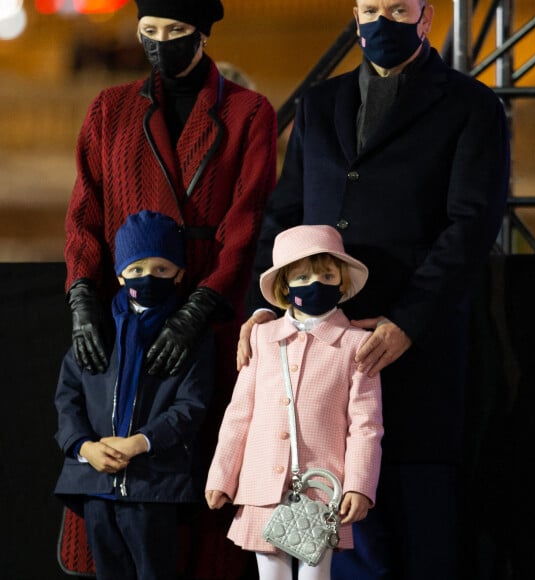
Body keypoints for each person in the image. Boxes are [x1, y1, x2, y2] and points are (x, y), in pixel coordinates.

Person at [238, 1, 511, 578]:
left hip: (415, 349)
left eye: (396, 8)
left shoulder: (471, 105)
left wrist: (408, 321)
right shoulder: (318, 103)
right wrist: (267, 307)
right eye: (369, 8)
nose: (380, 19)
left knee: (420, 517)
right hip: (318, 352)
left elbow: (471, 224)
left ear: (426, 17)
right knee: (328, 524)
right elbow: (283, 215)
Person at [63, 3, 276, 575]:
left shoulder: (248, 111)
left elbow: (247, 220)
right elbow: (84, 212)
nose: (160, 44)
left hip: (210, 314)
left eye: (176, 32)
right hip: (123, 315)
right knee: (117, 458)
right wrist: (83, 297)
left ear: (203, 34)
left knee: (204, 451)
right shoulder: (109, 109)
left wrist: (202, 305)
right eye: (149, 33)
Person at [206, 225, 383, 580]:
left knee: (317, 575)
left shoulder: (356, 343)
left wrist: (359, 485)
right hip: (261, 486)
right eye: (302, 275)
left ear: (342, 282)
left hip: (323, 487)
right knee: (270, 574)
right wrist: (222, 475)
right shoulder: (263, 336)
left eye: (327, 274)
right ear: (285, 286)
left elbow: (366, 425)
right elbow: (239, 413)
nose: (315, 282)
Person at [54, 210, 215, 580]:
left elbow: (191, 406)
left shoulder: (192, 337)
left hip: (154, 488)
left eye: (162, 269)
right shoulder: (96, 328)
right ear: (120, 274)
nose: (149, 277)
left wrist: (142, 442)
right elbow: (68, 397)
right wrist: (83, 446)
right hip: (94, 482)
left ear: (179, 273)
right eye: (138, 268)